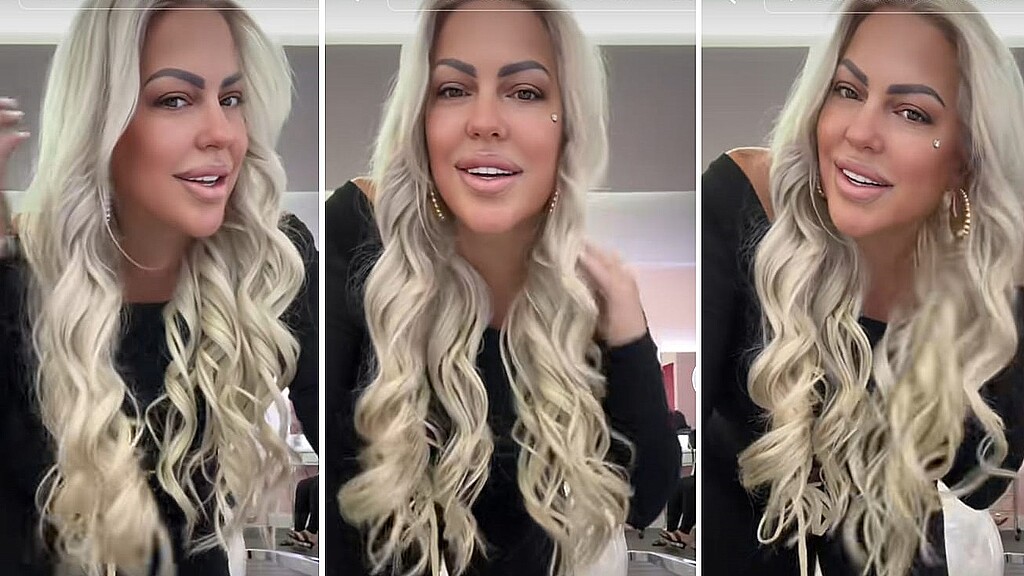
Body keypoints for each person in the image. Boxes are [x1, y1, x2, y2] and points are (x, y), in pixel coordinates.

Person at [326, 0, 680, 575]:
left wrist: (631, 335)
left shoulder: (584, 302)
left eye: (525, 92)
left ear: (567, 130)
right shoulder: (362, 248)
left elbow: (644, 495)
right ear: (422, 123)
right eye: (453, 90)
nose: (485, 121)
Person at [702, 1, 1024, 575]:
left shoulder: (970, 273)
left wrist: (1013, 275)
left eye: (912, 113)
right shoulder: (741, 203)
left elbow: (977, 481)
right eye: (847, 91)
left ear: (965, 157)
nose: (860, 132)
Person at [0, 1, 318, 574]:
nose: (221, 133)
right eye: (175, 100)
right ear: (103, 122)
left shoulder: (271, 269)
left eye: (231, 99)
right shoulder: (16, 293)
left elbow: (364, 456)